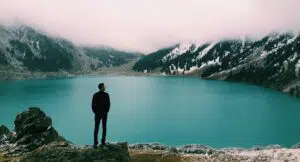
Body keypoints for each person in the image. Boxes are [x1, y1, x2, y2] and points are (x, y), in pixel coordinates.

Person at [92, 83, 110, 148]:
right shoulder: (106, 95)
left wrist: (95, 112)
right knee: (104, 127)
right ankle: (103, 142)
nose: (105, 87)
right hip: (104, 114)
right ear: (101, 87)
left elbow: (93, 105)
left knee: (96, 128)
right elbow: (108, 105)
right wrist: (106, 111)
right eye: (104, 86)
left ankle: (95, 143)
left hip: (98, 114)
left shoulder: (95, 95)